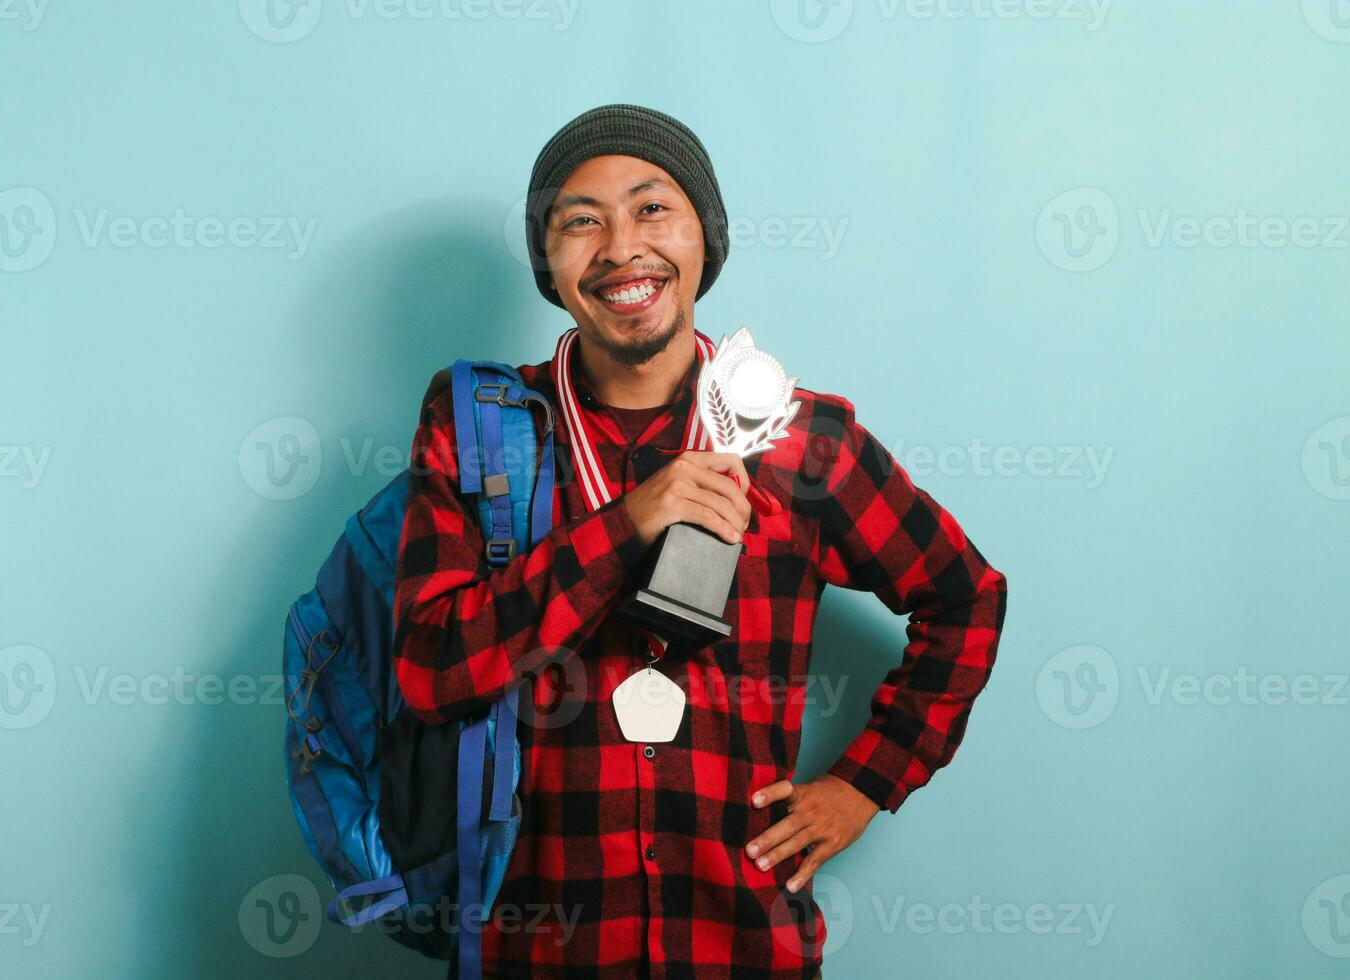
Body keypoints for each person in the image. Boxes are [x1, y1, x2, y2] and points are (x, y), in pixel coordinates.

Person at [393, 103, 1008, 979]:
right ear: (549, 263)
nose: (619, 249)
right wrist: (628, 522)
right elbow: (430, 669)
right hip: (537, 947)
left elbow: (967, 597)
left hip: (742, 944)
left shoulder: (802, 440)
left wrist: (865, 784)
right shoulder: (484, 432)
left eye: (652, 210)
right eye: (580, 222)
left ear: (702, 241)